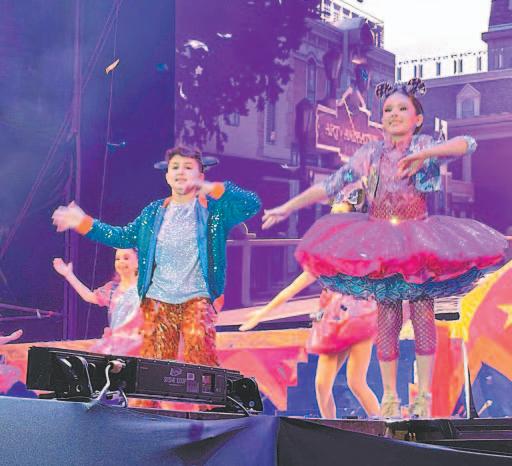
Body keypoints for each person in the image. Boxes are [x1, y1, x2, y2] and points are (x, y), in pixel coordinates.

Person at [261, 79, 507, 418]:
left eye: (402, 108)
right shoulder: (371, 154)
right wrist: (287, 208)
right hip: (382, 240)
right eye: (388, 109)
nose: (394, 114)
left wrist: (424, 154)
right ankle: (389, 395)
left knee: (422, 314)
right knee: (388, 316)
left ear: (417, 119)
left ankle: (423, 396)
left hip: (417, 240)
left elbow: (468, 143)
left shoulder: (423, 144)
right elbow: (331, 185)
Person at [52, 145, 261, 366]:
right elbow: (122, 237)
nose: (181, 172)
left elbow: (250, 204)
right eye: (175, 167)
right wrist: (84, 223)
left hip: (198, 299)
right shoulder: (153, 213)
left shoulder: (214, 211)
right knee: (157, 367)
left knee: (199, 361)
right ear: (167, 176)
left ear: (200, 175)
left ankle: (204, 389)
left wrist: (212, 188)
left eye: (188, 167)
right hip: (158, 301)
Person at [242, 200, 379, 419]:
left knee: (356, 382)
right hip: (334, 322)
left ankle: (383, 426)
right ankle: (331, 429)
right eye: (333, 214)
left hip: (360, 319)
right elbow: (293, 288)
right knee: (322, 386)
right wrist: (262, 313)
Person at [53, 249, 142, 356]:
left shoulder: (145, 289)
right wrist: (68, 274)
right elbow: (89, 296)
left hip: (138, 347)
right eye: (117, 259)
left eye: (126, 258)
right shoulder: (112, 289)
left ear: (138, 262)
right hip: (115, 347)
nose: (121, 262)